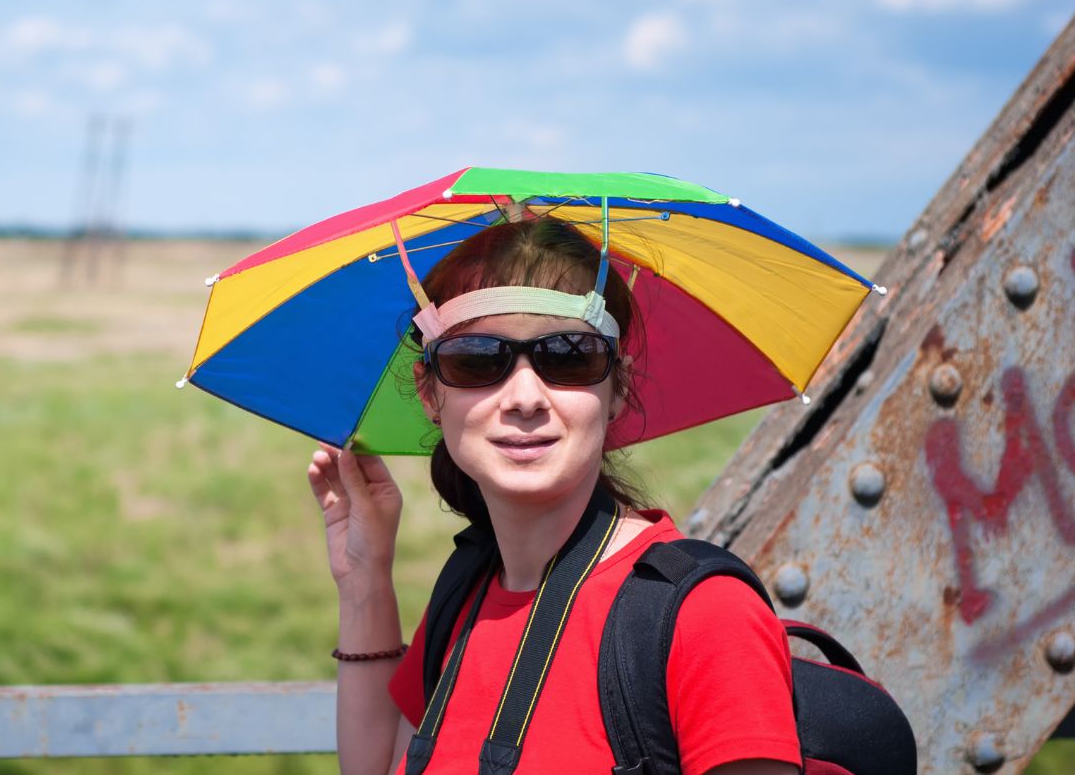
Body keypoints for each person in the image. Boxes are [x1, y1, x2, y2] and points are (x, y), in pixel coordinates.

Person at [307, 218, 801, 775]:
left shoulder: (704, 618)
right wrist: (365, 578)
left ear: (617, 389)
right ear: (429, 392)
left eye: (569, 356)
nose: (523, 397)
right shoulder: (465, 597)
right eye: (476, 359)